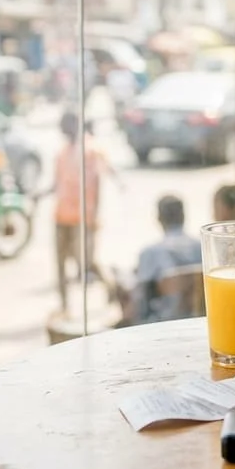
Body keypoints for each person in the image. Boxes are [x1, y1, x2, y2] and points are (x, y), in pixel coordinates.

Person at [53, 111, 121, 311]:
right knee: (60, 263)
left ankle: (111, 287)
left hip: (82, 218)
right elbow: (56, 183)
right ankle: (64, 305)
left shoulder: (90, 150)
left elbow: (98, 180)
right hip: (61, 215)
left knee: (86, 261)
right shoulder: (62, 152)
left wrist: (93, 216)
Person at [120, 196, 204, 325]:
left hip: (163, 323)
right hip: (200, 319)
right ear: (183, 217)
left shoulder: (150, 252)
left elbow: (140, 302)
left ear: (159, 218)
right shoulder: (202, 246)